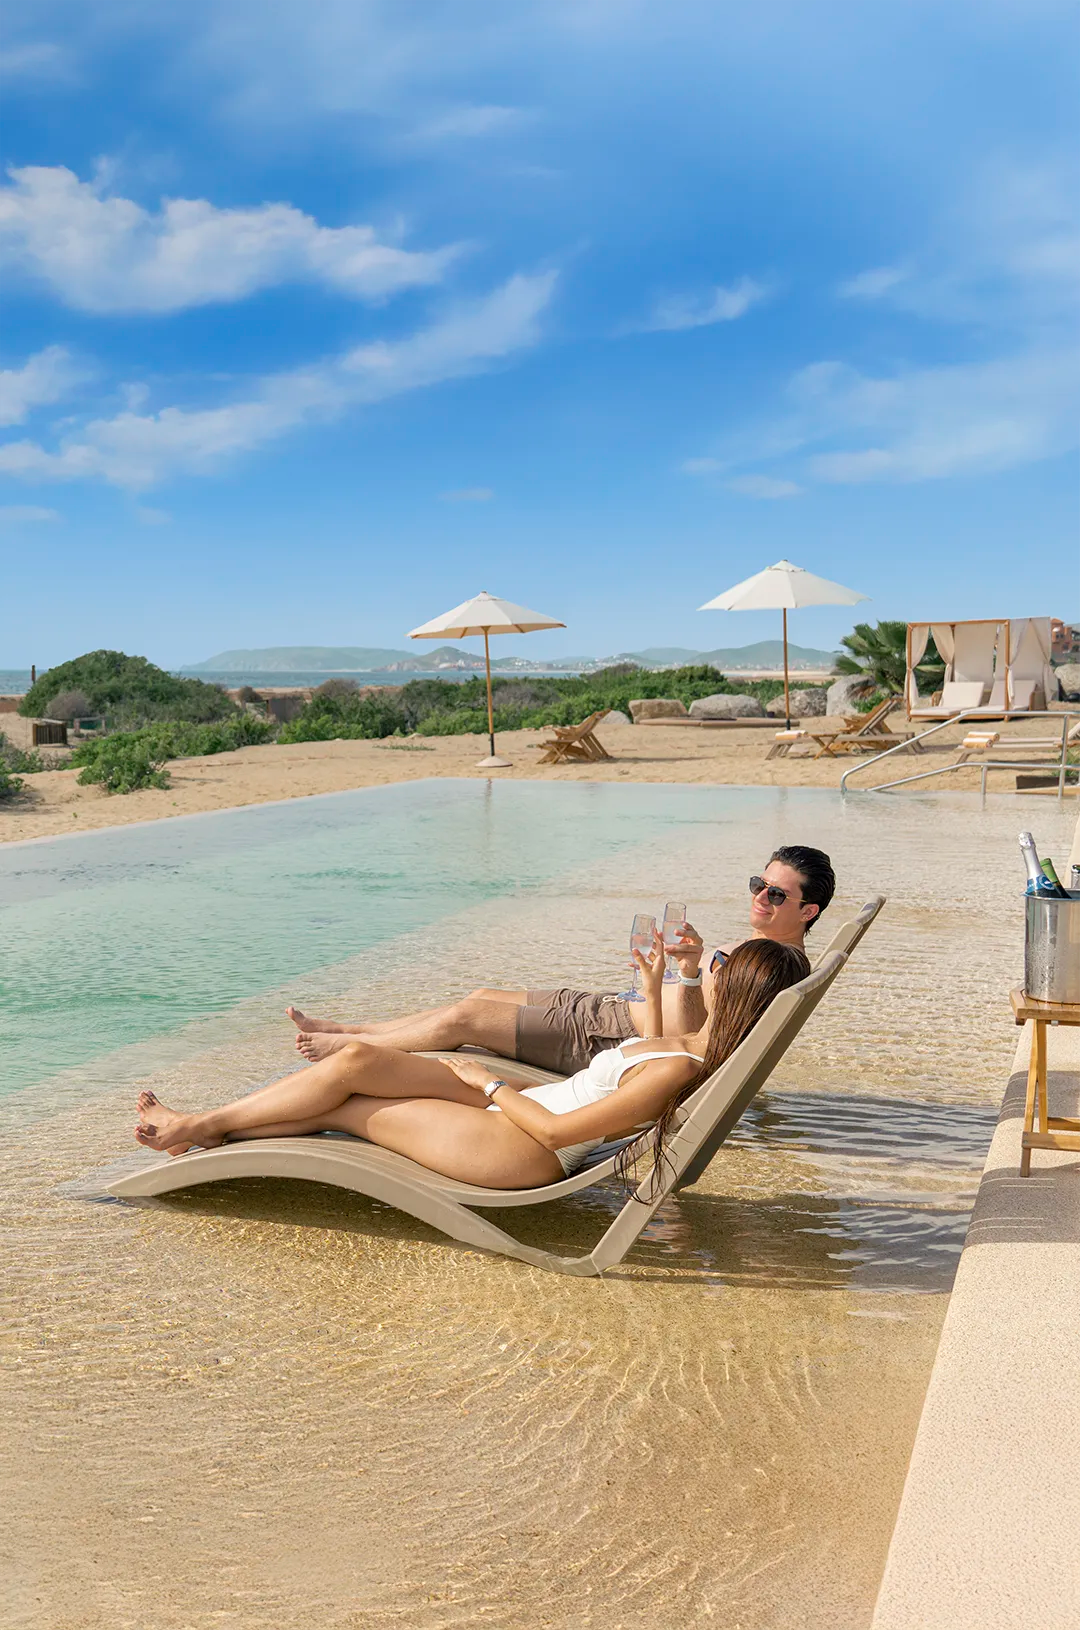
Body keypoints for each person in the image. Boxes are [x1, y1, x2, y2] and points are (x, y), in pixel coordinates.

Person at [134, 936, 811, 1191]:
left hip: (522, 1148)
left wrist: (481, 1080)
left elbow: (555, 1137)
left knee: (346, 1108)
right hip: (528, 1107)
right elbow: (656, 1050)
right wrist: (667, 974)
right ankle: (211, 1125)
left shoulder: (681, 1070)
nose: (715, 967)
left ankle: (197, 1127)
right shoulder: (693, 1051)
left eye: (724, 965)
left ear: (739, 991)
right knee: (359, 1061)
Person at [285, 844, 835, 1075]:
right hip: (610, 1009)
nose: (759, 898)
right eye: (758, 885)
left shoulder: (771, 972)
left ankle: (348, 1048)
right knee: (477, 997)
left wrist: (682, 972)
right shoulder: (768, 955)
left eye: (776, 894)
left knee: (464, 1022)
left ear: (808, 910)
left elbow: (690, 1045)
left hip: (608, 1038)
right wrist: (671, 972)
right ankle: (353, 1027)